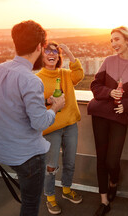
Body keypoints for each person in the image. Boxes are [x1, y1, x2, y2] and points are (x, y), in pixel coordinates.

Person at [0, 20, 65, 216]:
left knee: (27, 200)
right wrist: (55, 107)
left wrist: (41, 100)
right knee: (30, 205)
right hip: (29, 156)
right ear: (39, 47)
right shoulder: (30, 80)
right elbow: (40, 122)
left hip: (4, 151)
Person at [87, 26, 128, 216]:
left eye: (117, 39)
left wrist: (127, 105)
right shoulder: (108, 61)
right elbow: (95, 85)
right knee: (101, 159)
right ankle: (104, 200)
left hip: (120, 117)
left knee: (112, 161)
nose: (113, 44)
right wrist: (109, 92)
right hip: (100, 113)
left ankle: (114, 181)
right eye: (111, 40)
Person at [36, 42, 84, 214]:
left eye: (55, 52)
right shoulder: (38, 78)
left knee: (70, 162)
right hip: (51, 127)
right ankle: (50, 197)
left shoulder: (65, 74)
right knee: (51, 165)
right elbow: (32, 104)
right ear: (41, 56)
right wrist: (47, 101)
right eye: (47, 51)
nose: (51, 54)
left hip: (70, 124)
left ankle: (66, 190)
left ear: (58, 56)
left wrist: (69, 51)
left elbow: (79, 75)